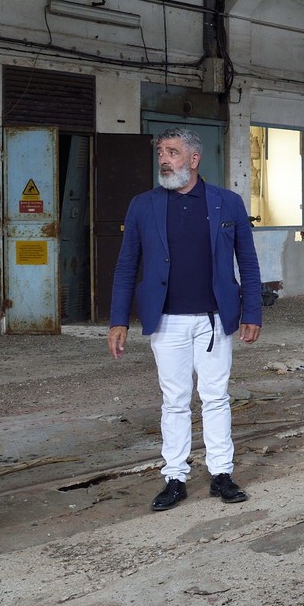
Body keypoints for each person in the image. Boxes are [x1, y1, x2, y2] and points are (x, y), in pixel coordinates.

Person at [107, 128, 263, 511]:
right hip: (167, 321)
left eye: (173, 152)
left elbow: (248, 261)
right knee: (174, 400)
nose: (164, 158)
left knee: (215, 397)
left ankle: (221, 474)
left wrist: (252, 311)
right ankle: (174, 477)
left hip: (214, 320)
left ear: (194, 159)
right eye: (161, 151)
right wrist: (118, 319)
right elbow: (127, 265)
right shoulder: (143, 205)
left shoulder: (227, 203)